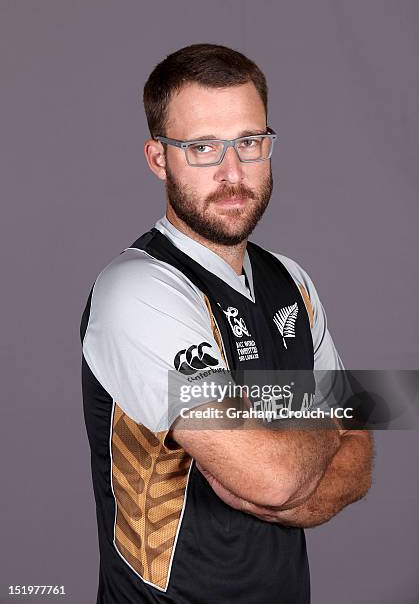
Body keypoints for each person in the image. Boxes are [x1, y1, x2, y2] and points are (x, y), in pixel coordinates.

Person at [80, 43, 374, 604]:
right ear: (158, 158)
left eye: (248, 141)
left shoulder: (292, 279)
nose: (232, 170)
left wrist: (295, 464)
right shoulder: (136, 289)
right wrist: (315, 423)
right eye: (202, 148)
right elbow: (272, 478)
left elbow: (360, 453)